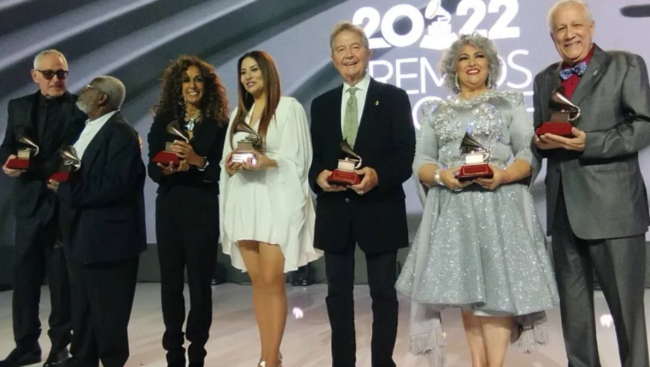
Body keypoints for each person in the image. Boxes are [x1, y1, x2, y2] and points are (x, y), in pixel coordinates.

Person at [396, 33, 560, 367]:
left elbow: (528, 152)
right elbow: (422, 162)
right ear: (452, 68)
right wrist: (443, 176)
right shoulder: (435, 111)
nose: (472, 62)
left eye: (479, 56)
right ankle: (477, 363)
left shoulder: (508, 103)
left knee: (498, 293)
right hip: (455, 211)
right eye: (464, 58)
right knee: (469, 294)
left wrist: (503, 176)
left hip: (502, 205)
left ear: (491, 65)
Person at [532, 1, 650, 366]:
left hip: (614, 209)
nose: (570, 35)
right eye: (561, 30)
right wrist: (531, 152)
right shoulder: (544, 79)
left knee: (628, 316)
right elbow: (541, 136)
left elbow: (643, 125)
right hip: (565, 211)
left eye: (576, 26)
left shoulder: (625, 65)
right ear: (552, 38)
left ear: (592, 27)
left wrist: (590, 142)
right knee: (575, 318)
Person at [308, 22, 415, 367]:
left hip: (380, 208)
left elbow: (405, 155)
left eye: (355, 47)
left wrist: (377, 176)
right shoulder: (321, 104)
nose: (348, 55)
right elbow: (314, 162)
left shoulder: (394, 98)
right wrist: (319, 177)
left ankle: (383, 361)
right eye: (341, 49)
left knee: (383, 293)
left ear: (368, 53)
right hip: (335, 212)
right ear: (332, 59)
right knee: (337, 294)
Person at [219, 50, 321, 367]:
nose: (248, 76)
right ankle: (267, 355)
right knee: (259, 283)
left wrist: (269, 160)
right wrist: (231, 165)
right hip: (245, 202)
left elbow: (300, 159)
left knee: (273, 280)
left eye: (254, 70)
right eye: (243, 72)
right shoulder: (239, 115)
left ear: (267, 73)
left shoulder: (289, 108)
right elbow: (227, 160)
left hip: (276, 201)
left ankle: (271, 360)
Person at [48, 76, 146, 367]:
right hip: (82, 237)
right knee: (84, 310)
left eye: (90, 87)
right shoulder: (89, 128)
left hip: (108, 242)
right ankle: (82, 359)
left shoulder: (120, 133)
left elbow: (114, 184)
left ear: (102, 98)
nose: (83, 91)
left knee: (109, 315)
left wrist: (66, 189)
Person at [0, 49, 86, 367]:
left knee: (62, 282)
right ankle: (26, 345)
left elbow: (76, 157)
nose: (56, 79)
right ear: (34, 75)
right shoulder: (18, 106)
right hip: (29, 207)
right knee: (23, 279)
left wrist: (36, 167)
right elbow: (9, 144)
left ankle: (61, 347)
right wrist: (7, 163)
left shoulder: (80, 109)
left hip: (62, 206)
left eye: (61, 73)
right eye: (49, 74)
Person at [147, 56, 228, 367]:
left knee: (199, 282)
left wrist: (197, 161)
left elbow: (221, 169)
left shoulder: (219, 123)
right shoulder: (164, 119)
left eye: (198, 80)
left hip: (202, 205)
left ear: (206, 86)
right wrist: (166, 169)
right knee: (170, 280)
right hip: (168, 203)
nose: (192, 85)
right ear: (176, 87)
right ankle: (173, 352)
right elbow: (152, 166)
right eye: (186, 80)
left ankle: (197, 351)